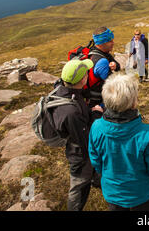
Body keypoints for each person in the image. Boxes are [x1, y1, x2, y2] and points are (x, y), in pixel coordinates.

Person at [88, 73, 149, 211]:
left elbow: (95, 160)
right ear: (133, 103)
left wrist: (106, 173)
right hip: (143, 194)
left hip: (112, 192)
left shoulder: (96, 127)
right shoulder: (147, 133)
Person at [52, 59, 104, 211]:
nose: (88, 74)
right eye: (86, 73)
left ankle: (96, 179)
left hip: (76, 144)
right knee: (78, 186)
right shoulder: (72, 112)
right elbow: (85, 139)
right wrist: (95, 114)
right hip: (79, 155)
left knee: (89, 175)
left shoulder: (65, 91)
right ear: (82, 79)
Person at [86, 26, 121, 107]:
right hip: (98, 103)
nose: (113, 43)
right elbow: (113, 83)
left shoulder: (102, 52)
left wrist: (115, 66)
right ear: (101, 43)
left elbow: (117, 65)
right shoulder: (101, 61)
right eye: (110, 41)